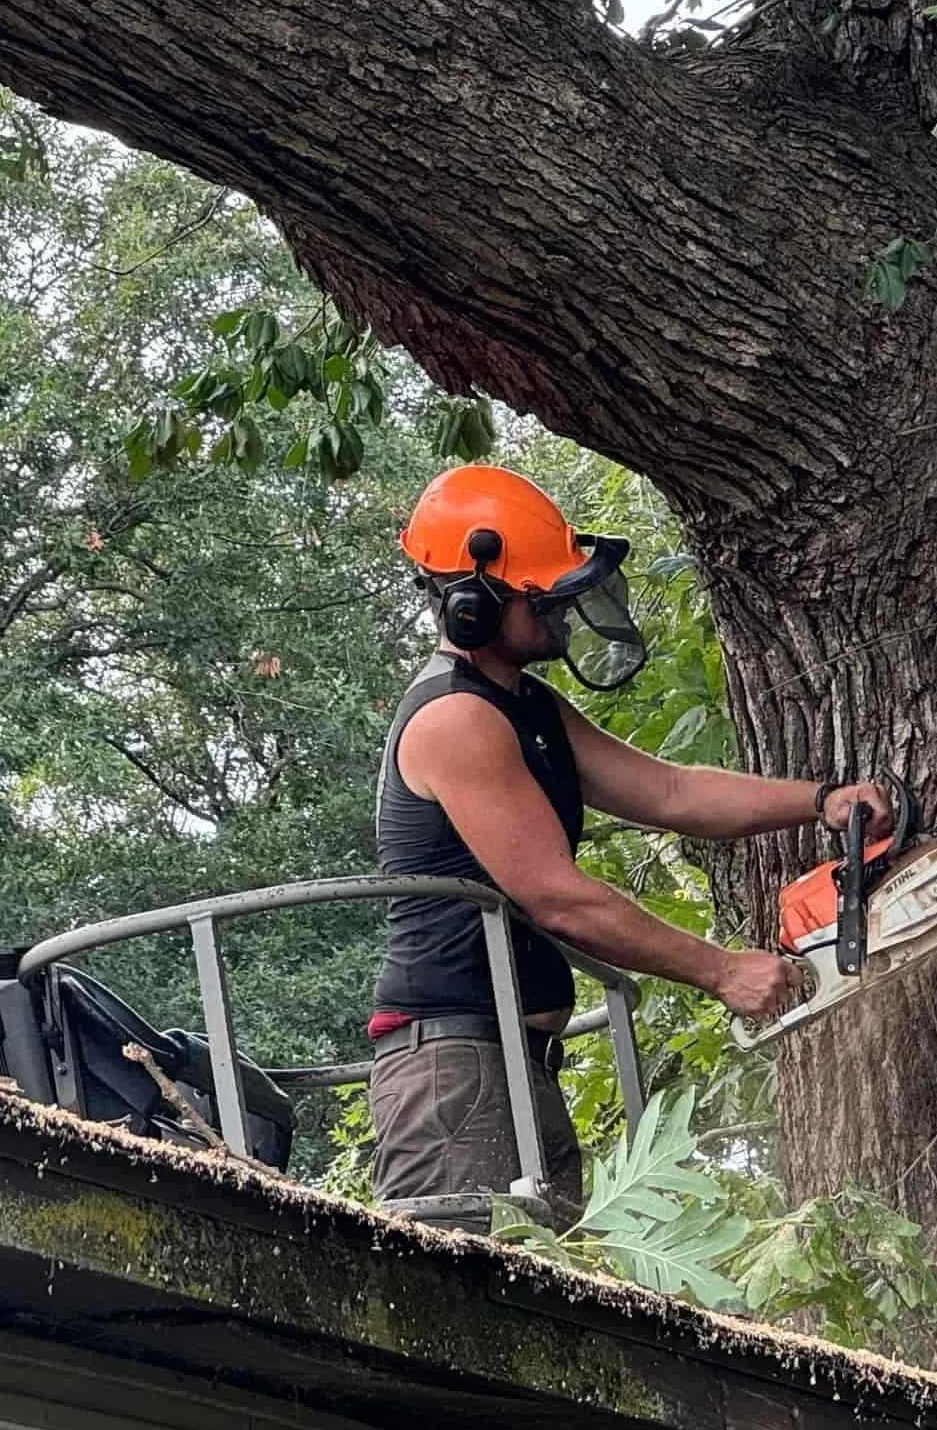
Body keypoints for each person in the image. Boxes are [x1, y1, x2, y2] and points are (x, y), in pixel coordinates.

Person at [369, 464, 891, 1209]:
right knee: (468, 1308)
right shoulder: (456, 720)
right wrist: (720, 970)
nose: (563, 613)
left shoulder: (529, 707)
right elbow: (560, 899)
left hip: (513, 1062)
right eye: (542, 596)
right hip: (454, 1070)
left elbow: (670, 790)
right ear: (471, 609)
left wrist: (821, 802)